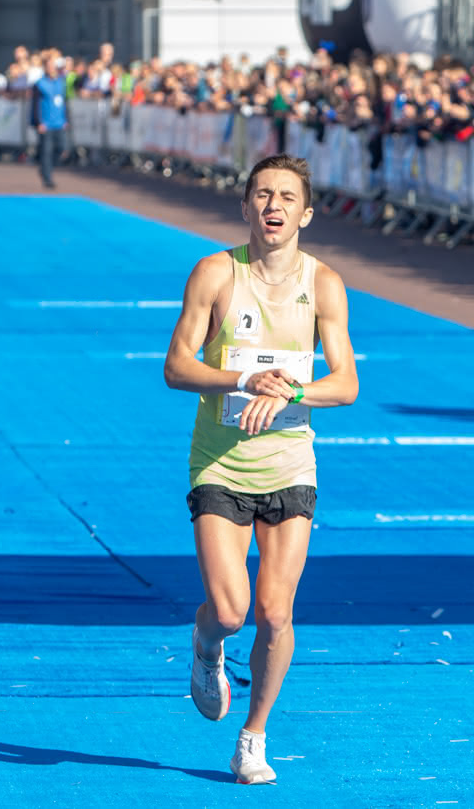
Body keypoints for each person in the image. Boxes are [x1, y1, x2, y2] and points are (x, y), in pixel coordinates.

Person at [162, 154, 359, 785]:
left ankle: (253, 737)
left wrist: (293, 393)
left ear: (305, 212)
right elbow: (176, 367)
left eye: (286, 197)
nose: (273, 206)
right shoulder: (216, 274)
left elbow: (346, 384)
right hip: (220, 462)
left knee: (276, 613)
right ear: (245, 206)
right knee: (230, 611)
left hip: (289, 463)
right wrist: (245, 377)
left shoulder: (324, 283)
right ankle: (206, 644)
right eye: (262, 194)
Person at [32, 55, 68, 189]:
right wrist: (38, 122)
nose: (52, 69)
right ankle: (47, 178)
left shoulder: (61, 82)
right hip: (46, 124)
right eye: (49, 66)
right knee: (46, 151)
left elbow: (65, 102)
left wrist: (66, 119)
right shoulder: (39, 84)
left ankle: (45, 169)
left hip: (59, 123)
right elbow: (35, 105)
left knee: (62, 149)